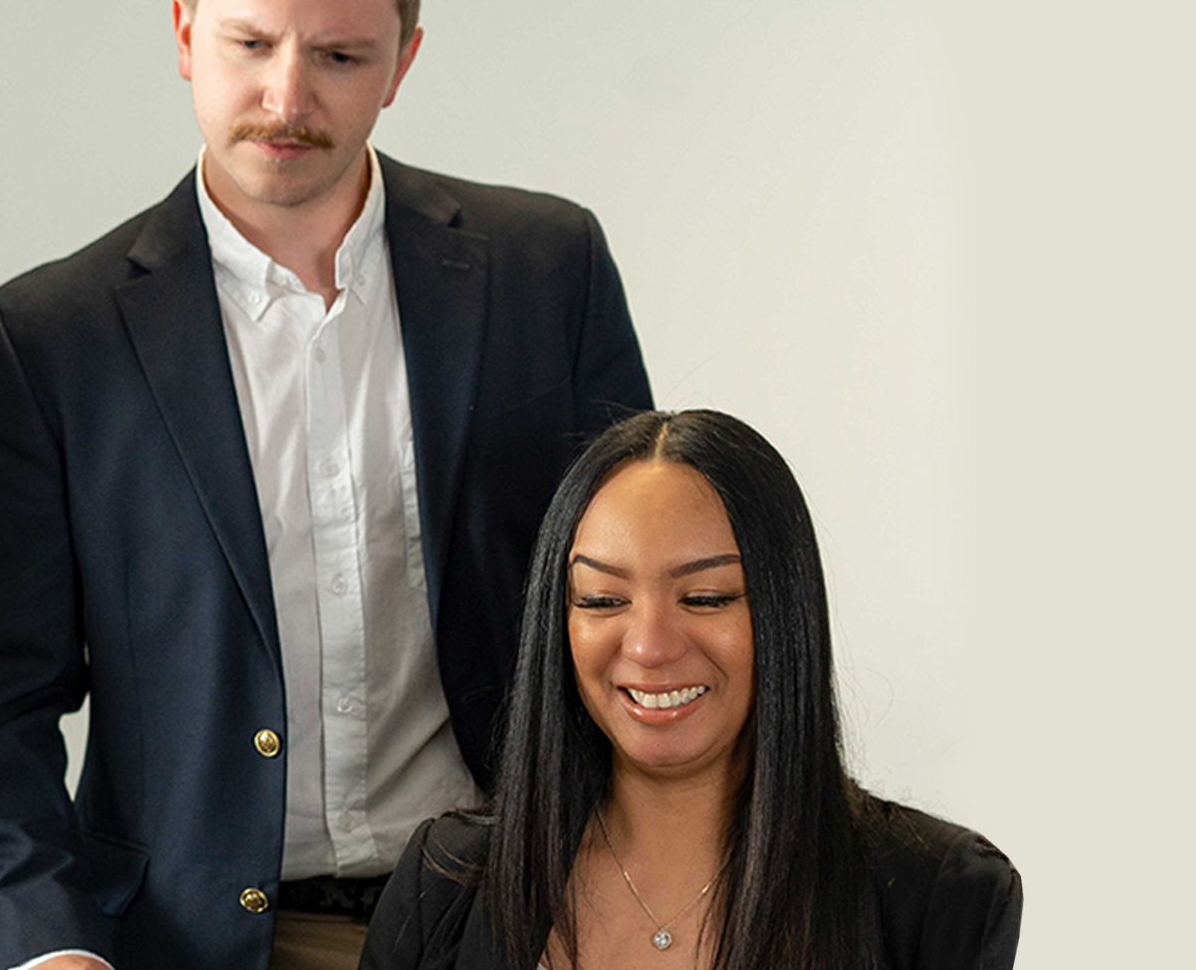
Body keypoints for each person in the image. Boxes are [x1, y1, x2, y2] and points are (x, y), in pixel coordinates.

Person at [0, 0, 655, 970]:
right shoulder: (53, 339)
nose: (287, 96)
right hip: (184, 945)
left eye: (341, 55)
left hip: (517, 926)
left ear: (403, 63)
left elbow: (632, 612)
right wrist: (41, 944)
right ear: (181, 35)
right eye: (250, 44)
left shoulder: (544, 273)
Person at [357, 410, 1023, 970]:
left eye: (705, 597)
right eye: (602, 597)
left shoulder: (939, 899)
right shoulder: (443, 886)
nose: (648, 645)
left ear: (785, 614)